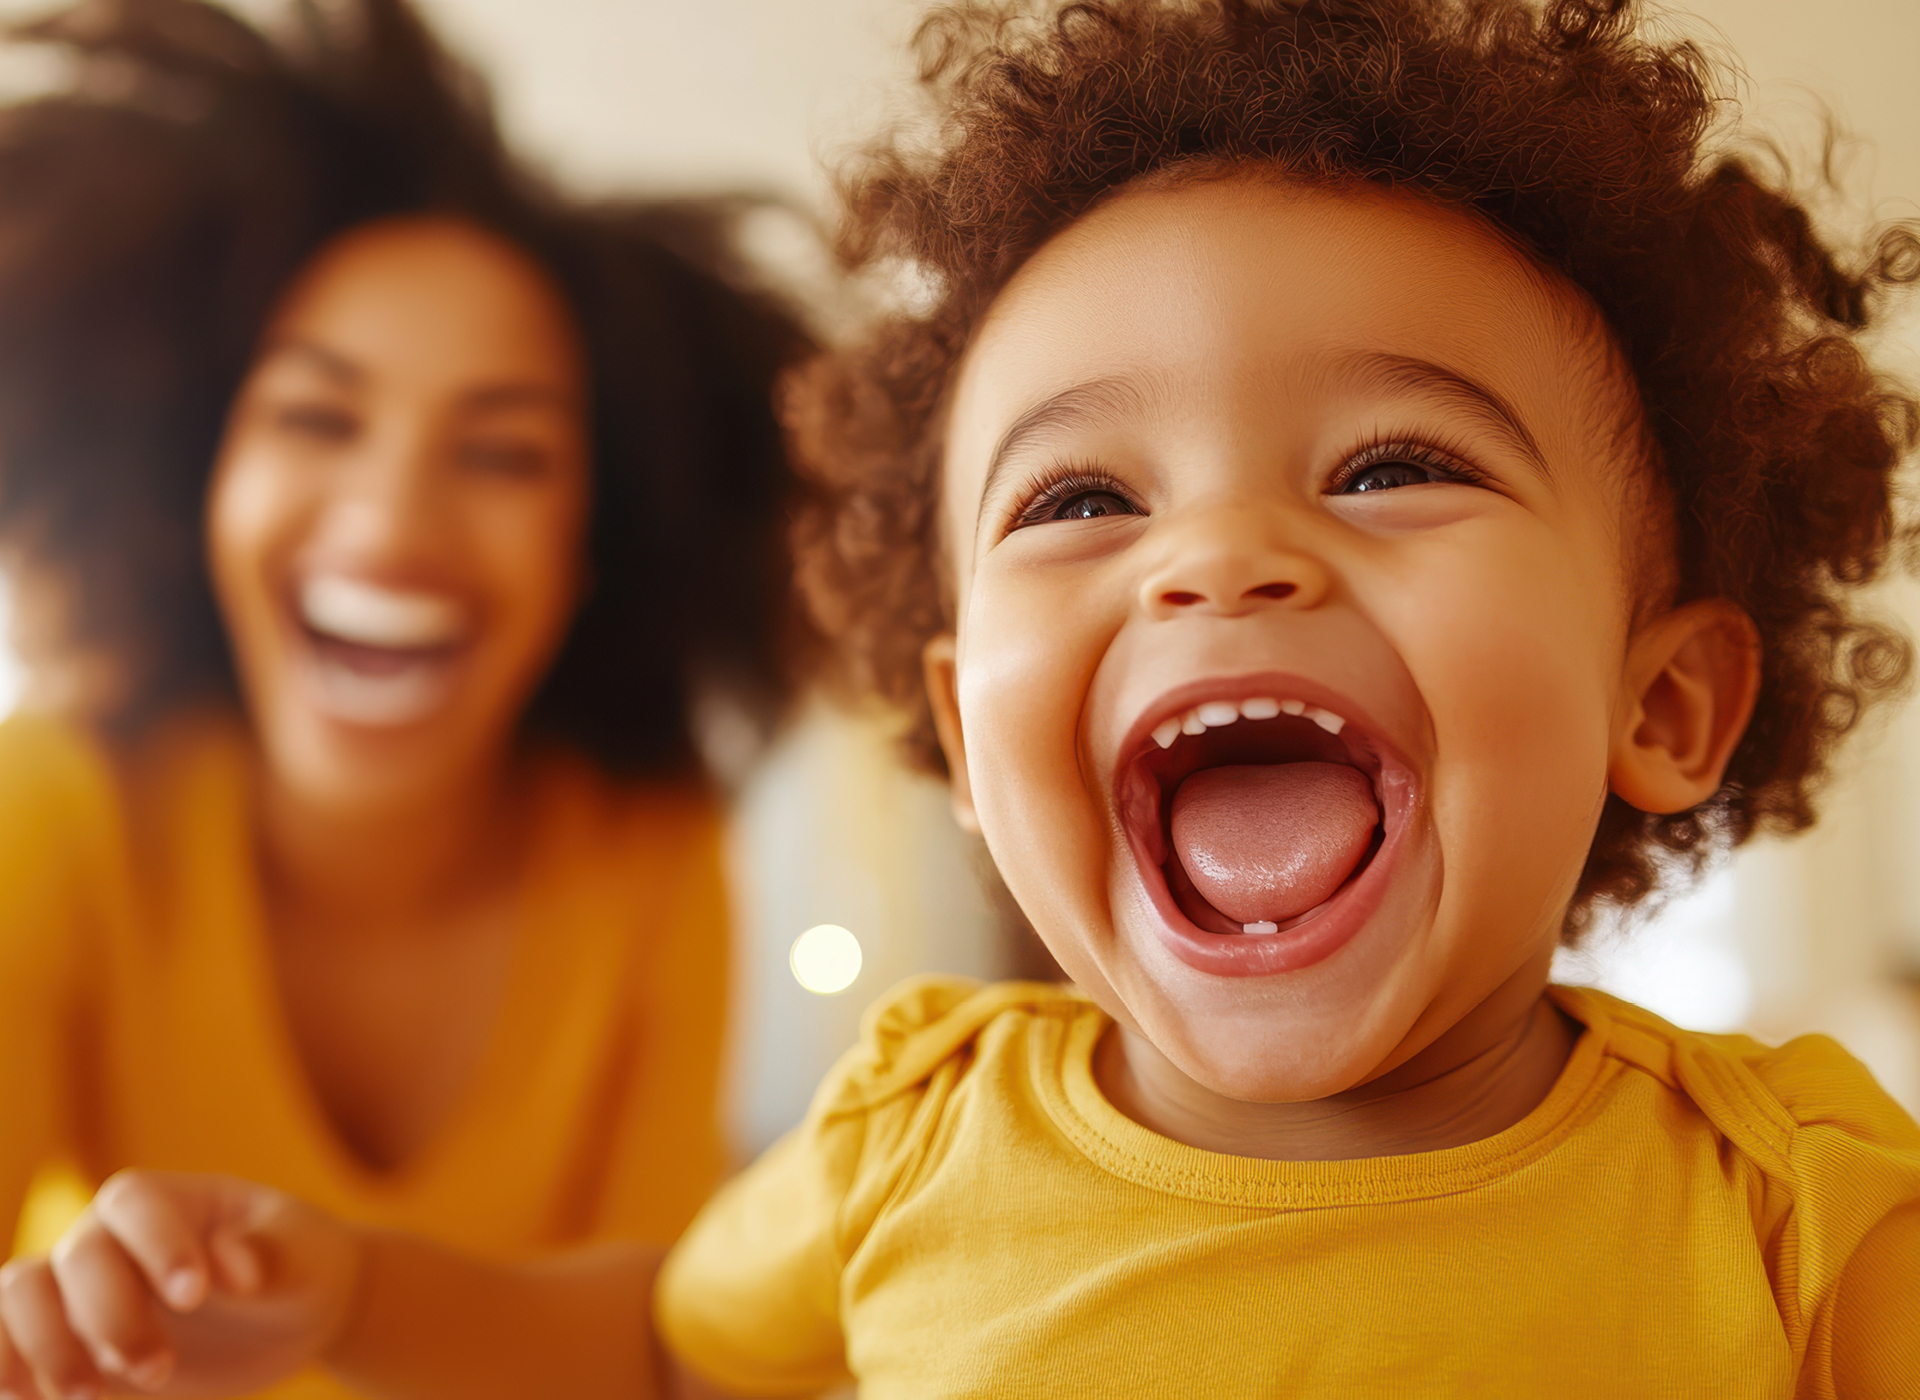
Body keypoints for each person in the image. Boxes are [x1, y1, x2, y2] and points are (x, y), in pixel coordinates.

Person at [4, 0, 1919, 1395]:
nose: (1216, 556)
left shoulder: (1803, 1223)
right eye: (1083, 499)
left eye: (1391, 465)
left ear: (1661, 703)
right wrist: (346, 1293)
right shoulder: (916, 1133)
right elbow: (653, 1345)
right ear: (976, 761)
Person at [0, 0, 807, 1393]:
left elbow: (654, 1360)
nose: (390, 524)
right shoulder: (58, 803)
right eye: (316, 418)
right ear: (198, 482)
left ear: (591, 549)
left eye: (502, 455)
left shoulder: (650, 854)